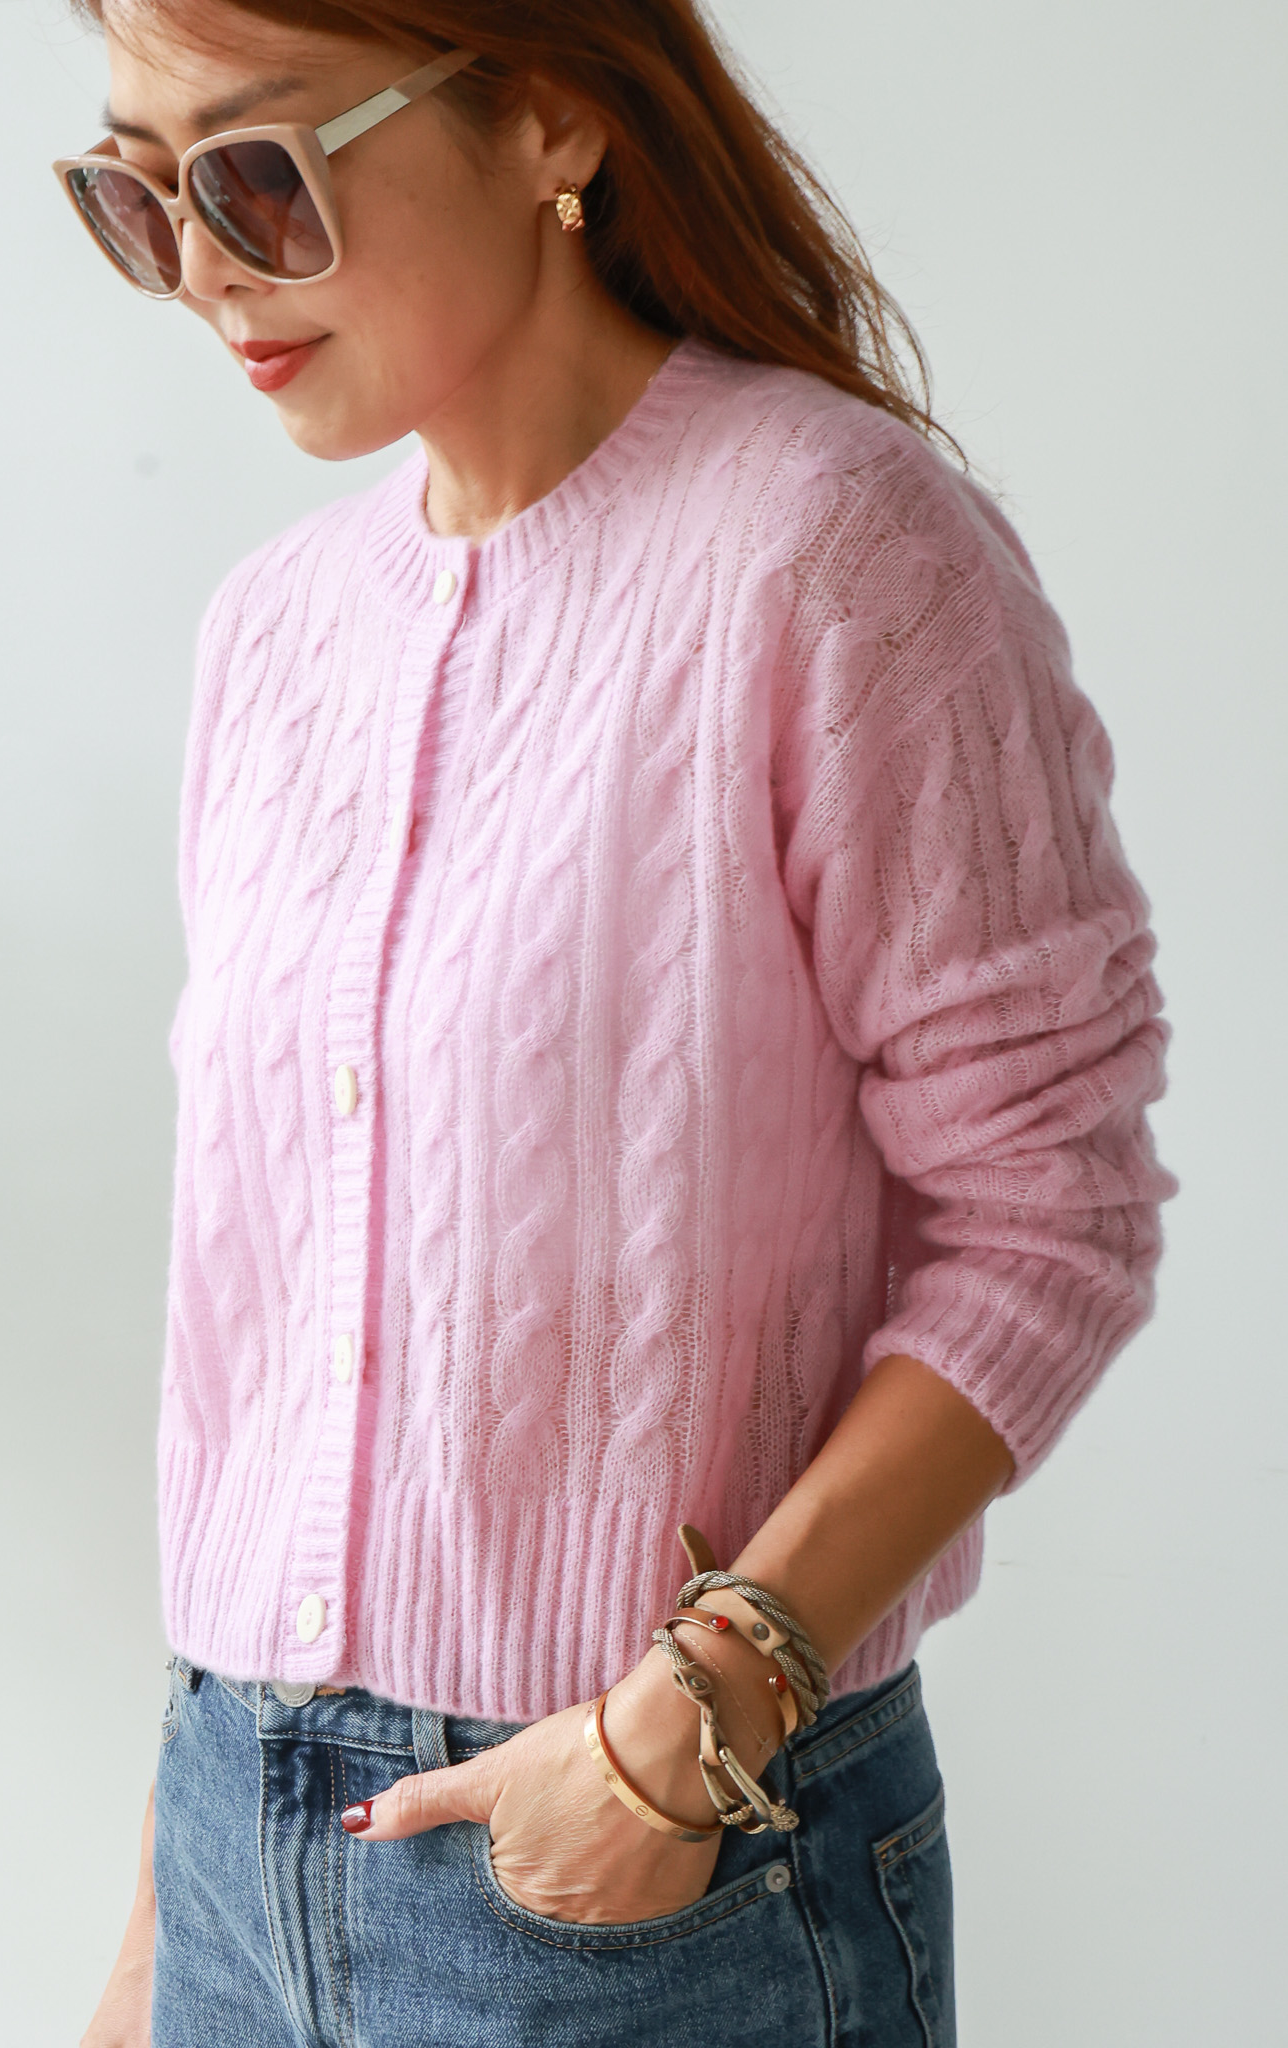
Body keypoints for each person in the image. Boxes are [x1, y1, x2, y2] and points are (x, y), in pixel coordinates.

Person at [63, 3, 1174, 2043]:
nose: (203, 268)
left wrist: (683, 1727)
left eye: (254, 175)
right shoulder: (273, 635)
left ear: (551, 121)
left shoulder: (830, 549)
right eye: (138, 196)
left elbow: (1052, 1214)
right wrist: (164, 1929)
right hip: (232, 1838)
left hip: (641, 1874)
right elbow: (275, 1355)